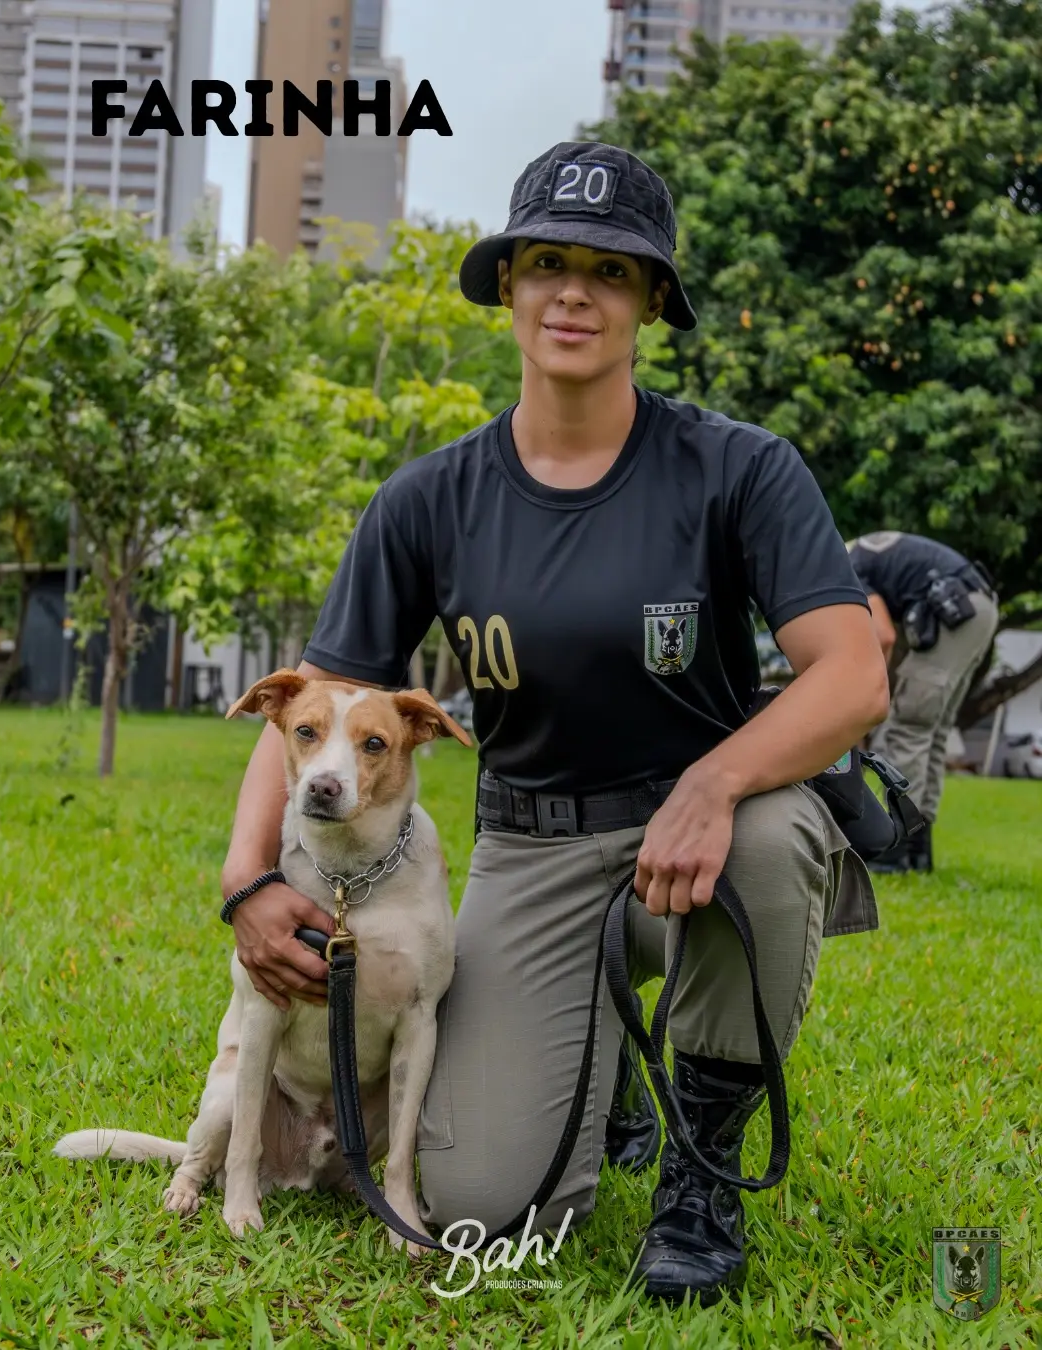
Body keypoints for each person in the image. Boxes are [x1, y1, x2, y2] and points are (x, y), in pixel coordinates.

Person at [220, 141, 890, 1308]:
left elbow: (853, 675)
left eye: (611, 271)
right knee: (481, 1202)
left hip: (696, 847)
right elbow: (314, 697)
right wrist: (247, 882)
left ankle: (701, 1173)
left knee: (779, 833)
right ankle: (599, 1066)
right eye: (547, 264)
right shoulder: (428, 500)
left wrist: (715, 782)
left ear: (651, 300)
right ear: (508, 285)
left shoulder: (739, 468)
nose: (574, 293)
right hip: (533, 851)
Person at [846, 531, 999, 873]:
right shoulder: (865, 553)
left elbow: (883, 635)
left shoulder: (845, 564)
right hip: (978, 607)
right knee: (933, 731)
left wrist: (867, 689)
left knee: (908, 725)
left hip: (956, 607)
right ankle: (918, 849)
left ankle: (896, 851)